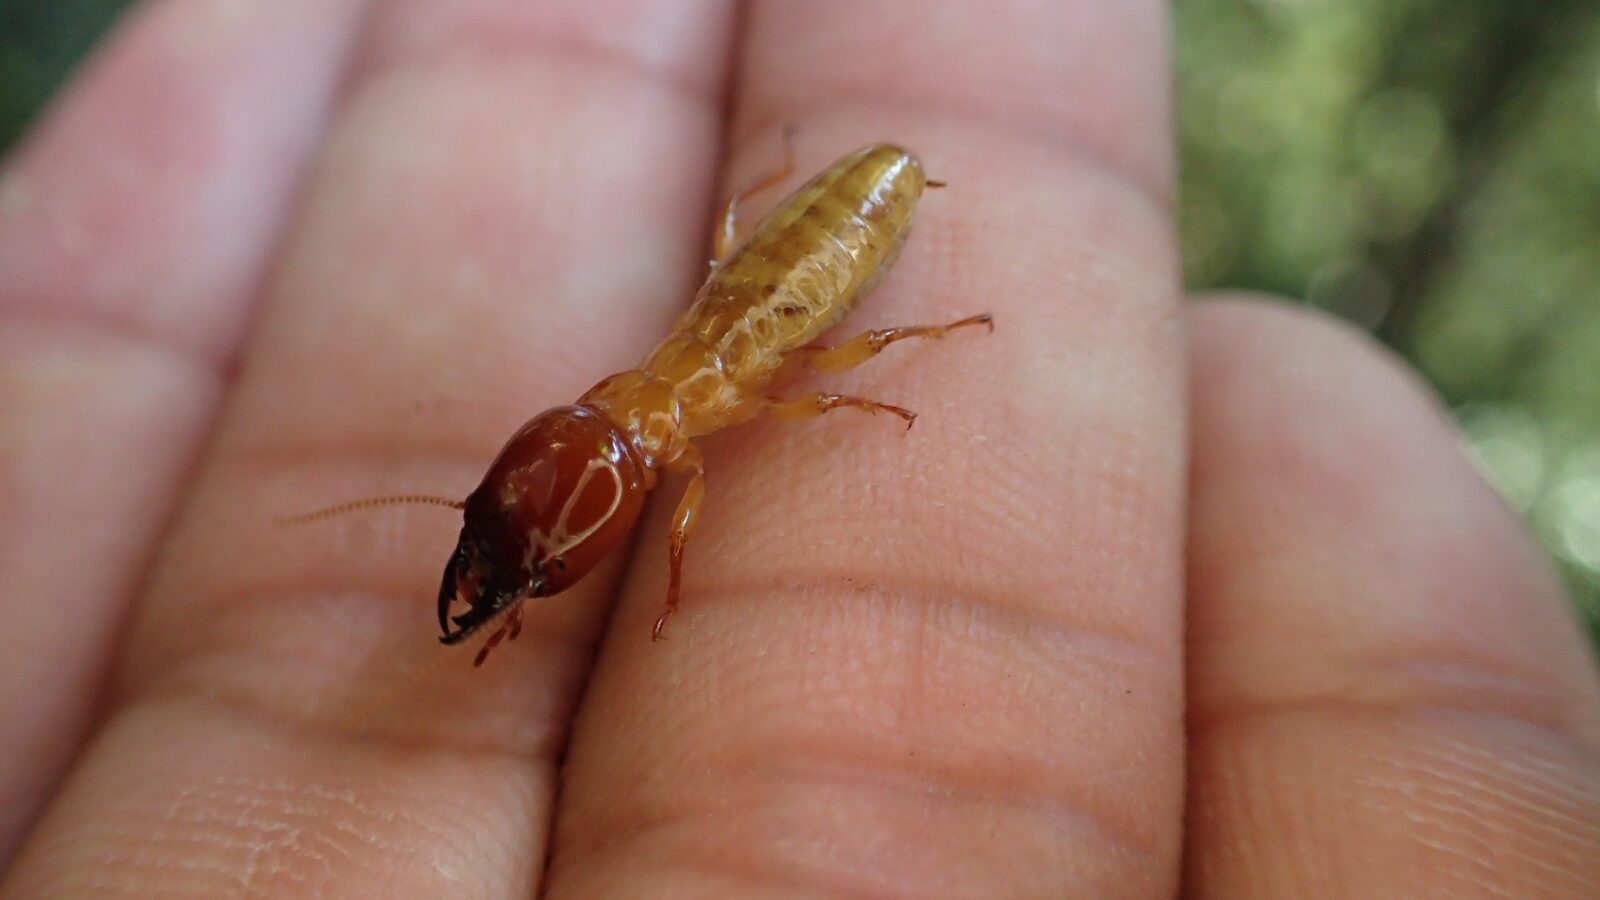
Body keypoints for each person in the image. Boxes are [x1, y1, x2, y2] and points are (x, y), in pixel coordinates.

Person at [1, 1, 1595, 895]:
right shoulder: (638, 416)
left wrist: (892, 354)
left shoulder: (676, 434)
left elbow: (696, 464)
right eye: (550, 524)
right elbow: (599, 476)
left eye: (547, 529)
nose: (560, 507)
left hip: (841, 231)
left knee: (835, 377)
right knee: (791, 368)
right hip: (780, 263)